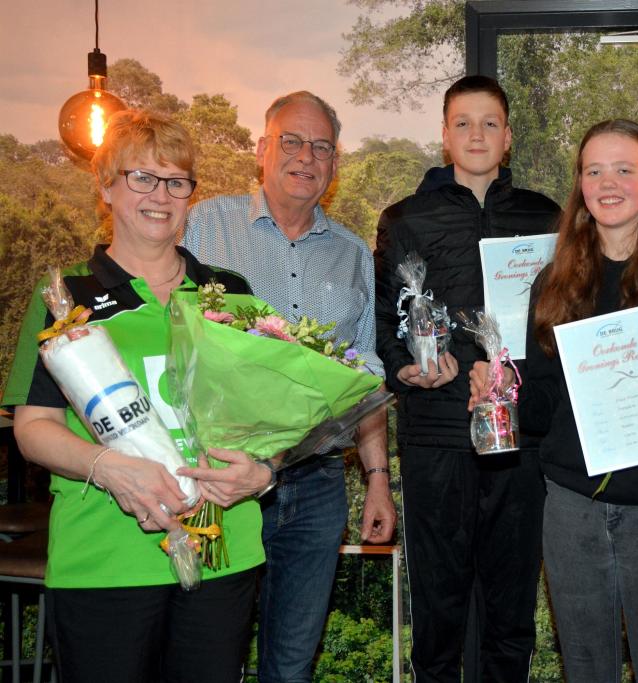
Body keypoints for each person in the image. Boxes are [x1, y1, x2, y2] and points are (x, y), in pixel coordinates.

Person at [470, 118, 638, 682]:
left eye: (624, 169)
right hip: (573, 509)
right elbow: (544, 408)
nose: (608, 182)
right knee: (587, 670)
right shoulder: (554, 282)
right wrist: (505, 394)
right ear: (580, 185)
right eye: (594, 170)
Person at [2, 109, 268, 683]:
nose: (161, 195)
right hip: (106, 559)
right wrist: (110, 467)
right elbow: (33, 426)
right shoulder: (64, 298)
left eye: (176, 181)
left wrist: (264, 472)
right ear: (105, 186)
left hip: (224, 548)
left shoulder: (232, 293)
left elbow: (263, 421)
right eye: (140, 177)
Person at [183, 91, 396, 683]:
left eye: (322, 146)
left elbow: (365, 378)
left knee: (292, 665)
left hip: (317, 486)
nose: (307, 156)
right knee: (208, 659)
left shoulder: (354, 255)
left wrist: (377, 481)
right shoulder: (203, 228)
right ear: (262, 149)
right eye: (292, 141)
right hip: (219, 482)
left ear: (335, 162)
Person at [374, 75, 560, 682]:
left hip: (521, 434)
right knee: (438, 603)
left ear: (507, 138)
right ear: (444, 135)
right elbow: (389, 320)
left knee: (511, 605)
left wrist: (521, 378)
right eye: (462, 123)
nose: (475, 134)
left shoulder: (547, 216)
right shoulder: (405, 219)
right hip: (436, 432)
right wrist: (410, 370)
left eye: (489, 124)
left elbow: (563, 321)